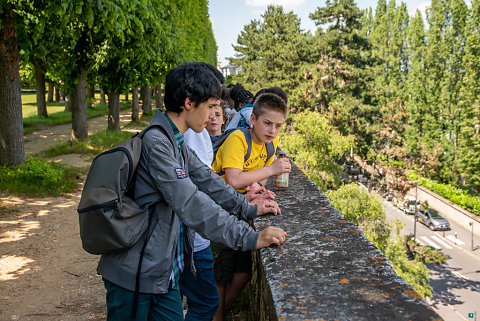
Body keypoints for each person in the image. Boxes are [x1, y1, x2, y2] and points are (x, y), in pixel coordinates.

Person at [97, 62, 287, 321]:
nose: (213, 115)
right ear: (189, 103)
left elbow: (210, 182)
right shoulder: (157, 144)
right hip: (136, 275)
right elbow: (191, 202)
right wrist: (250, 238)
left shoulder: (173, 141)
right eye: (210, 106)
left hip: (162, 270)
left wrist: (248, 209)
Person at [211, 93, 291, 321]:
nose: (273, 131)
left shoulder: (269, 143)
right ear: (253, 119)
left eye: (278, 126)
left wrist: (258, 189)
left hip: (241, 209)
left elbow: (255, 176)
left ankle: (220, 315)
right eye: (267, 123)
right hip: (219, 211)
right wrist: (272, 171)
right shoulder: (238, 138)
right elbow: (235, 179)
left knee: (243, 272)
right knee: (221, 277)